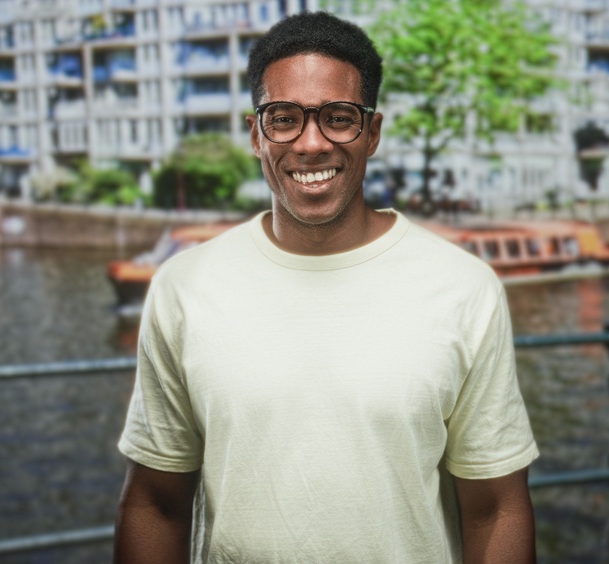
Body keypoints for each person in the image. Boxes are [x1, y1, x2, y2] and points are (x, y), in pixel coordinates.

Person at [115, 11, 538, 563]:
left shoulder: (464, 289)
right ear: (255, 133)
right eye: (284, 117)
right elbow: (155, 502)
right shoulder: (183, 288)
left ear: (373, 133)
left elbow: (496, 508)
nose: (311, 143)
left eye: (339, 118)